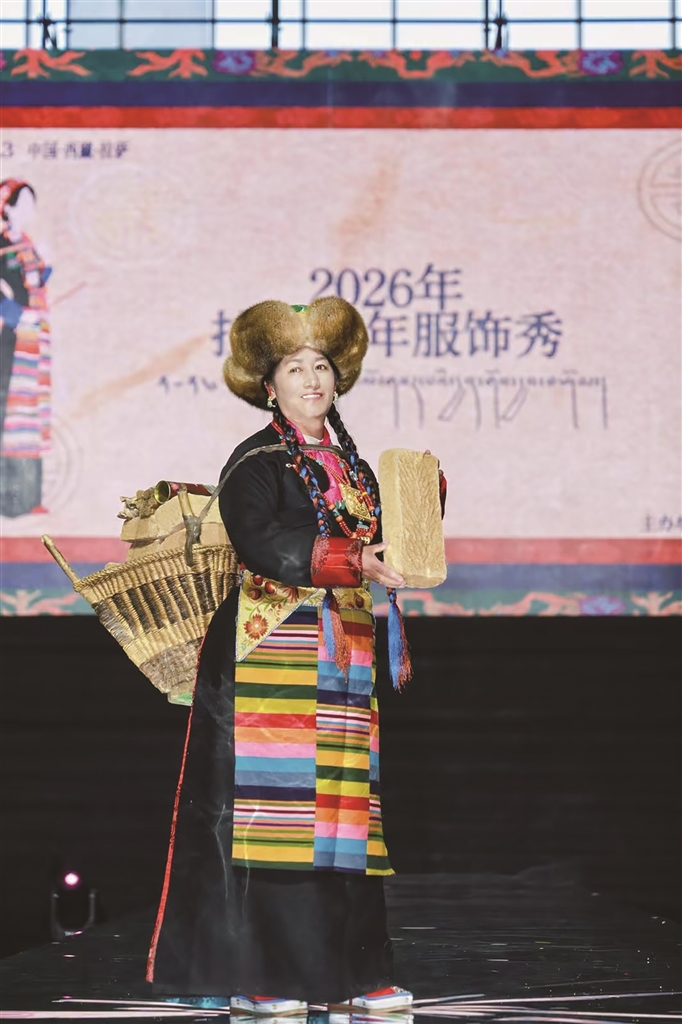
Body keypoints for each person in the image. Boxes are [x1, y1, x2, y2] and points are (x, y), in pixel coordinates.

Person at [147, 298, 416, 1010]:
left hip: (343, 654)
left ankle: (353, 975)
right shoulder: (256, 462)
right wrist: (352, 558)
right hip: (270, 653)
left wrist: (420, 509)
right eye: (294, 368)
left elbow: (382, 544)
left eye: (321, 365)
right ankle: (271, 979)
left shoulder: (353, 466)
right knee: (280, 818)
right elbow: (263, 544)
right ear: (269, 386)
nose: (311, 379)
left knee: (347, 817)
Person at [0, 179, 52, 518]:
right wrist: (16, 316)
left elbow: (34, 287)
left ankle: (31, 497)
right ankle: (9, 501)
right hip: (12, 339)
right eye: (24, 203)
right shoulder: (3, 245)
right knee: (9, 413)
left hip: (35, 339)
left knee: (34, 413)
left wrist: (48, 267)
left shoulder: (28, 245)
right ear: (7, 207)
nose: (29, 210)